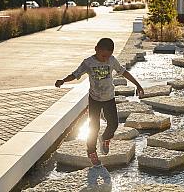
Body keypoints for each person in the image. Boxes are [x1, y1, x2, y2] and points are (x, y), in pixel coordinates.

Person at [55, 38, 144, 166]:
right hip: (95, 99)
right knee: (93, 127)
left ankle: (105, 138)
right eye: (103, 56)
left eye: (107, 56)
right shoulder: (88, 63)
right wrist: (63, 81)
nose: (105, 59)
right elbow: (75, 74)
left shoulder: (112, 60)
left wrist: (138, 85)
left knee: (113, 124)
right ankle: (91, 151)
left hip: (109, 98)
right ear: (96, 49)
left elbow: (124, 72)